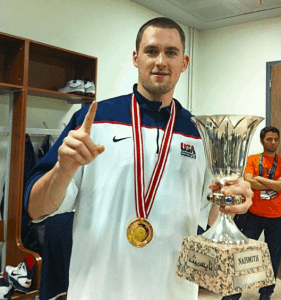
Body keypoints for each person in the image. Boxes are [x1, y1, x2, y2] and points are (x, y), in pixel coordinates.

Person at [24, 17, 253, 300]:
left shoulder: (201, 133)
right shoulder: (92, 121)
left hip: (174, 291)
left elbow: (210, 215)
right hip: (97, 290)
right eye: (151, 51)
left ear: (184, 62)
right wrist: (62, 170)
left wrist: (232, 201)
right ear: (136, 58)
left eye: (171, 52)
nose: (160, 61)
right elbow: (35, 209)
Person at [222, 126, 281, 300]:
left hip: (276, 217)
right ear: (262, 141)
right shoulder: (253, 159)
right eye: (269, 139)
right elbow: (248, 181)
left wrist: (260, 179)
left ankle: (266, 293)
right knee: (243, 254)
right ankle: (234, 293)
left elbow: (280, 186)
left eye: (276, 139)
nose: (273, 142)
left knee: (273, 256)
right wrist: (272, 183)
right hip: (253, 215)